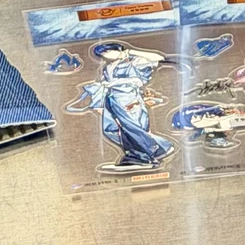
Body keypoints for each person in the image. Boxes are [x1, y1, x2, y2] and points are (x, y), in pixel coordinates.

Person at [65, 41, 177, 173]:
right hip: (111, 98)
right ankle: (159, 148)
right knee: (110, 129)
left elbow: (158, 58)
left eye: (108, 51)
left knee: (132, 128)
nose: (106, 55)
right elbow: (104, 83)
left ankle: (142, 157)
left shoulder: (134, 61)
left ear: (118, 49)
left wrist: (129, 52)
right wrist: (99, 102)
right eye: (103, 53)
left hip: (128, 97)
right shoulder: (108, 67)